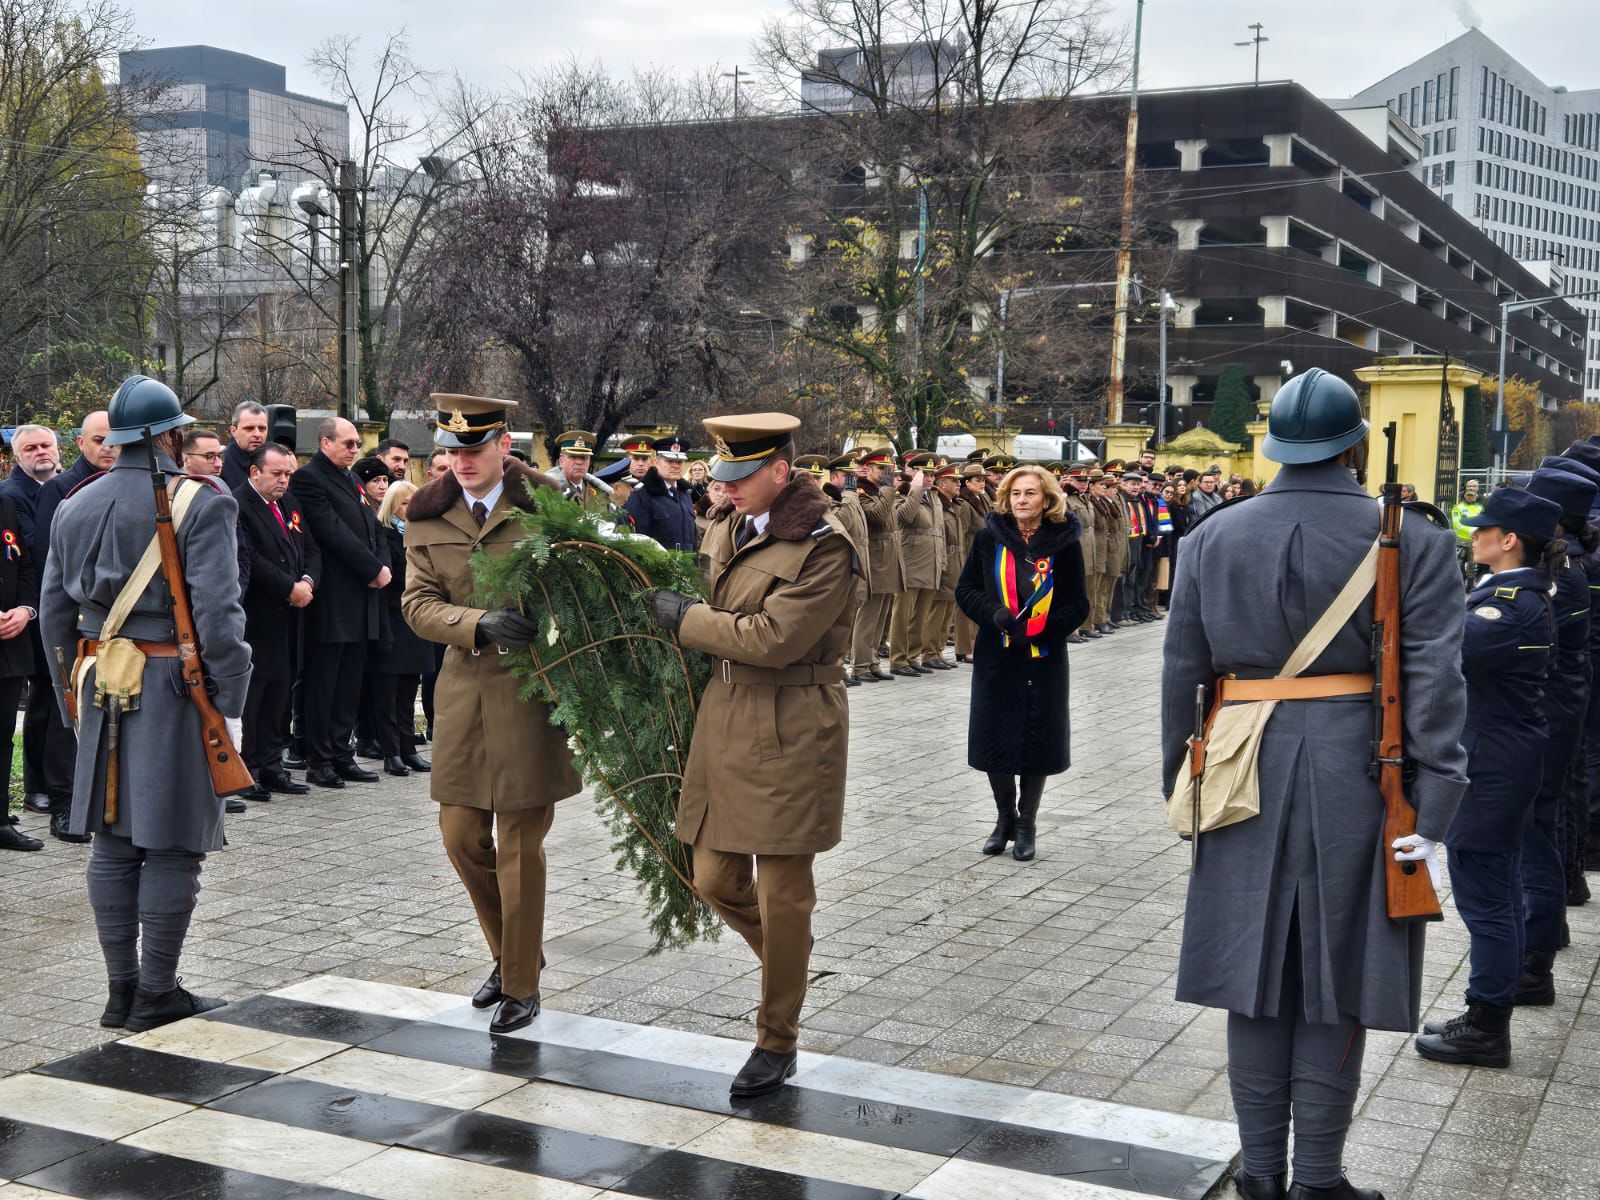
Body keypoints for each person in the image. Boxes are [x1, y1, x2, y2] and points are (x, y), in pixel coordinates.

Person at [1161, 367, 1467, 1200]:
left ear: (1274, 445)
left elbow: (1183, 672)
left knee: (1253, 981)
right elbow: (1434, 682)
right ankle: (1319, 1180)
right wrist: (1437, 804)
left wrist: (1184, 781)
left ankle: (1262, 1174)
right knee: (1340, 979)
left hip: (1238, 767)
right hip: (1360, 772)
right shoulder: (1416, 540)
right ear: (1355, 444)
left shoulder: (1210, 536)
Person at [644, 412, 857, 1097]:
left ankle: (776, 1039)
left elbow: (774, 638)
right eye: (722, 475)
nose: (726, 487)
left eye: (740, 476)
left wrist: (687, 619)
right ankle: (789, 957)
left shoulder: (824, 544)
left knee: (783, 892)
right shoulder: (728, 525)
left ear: (780, 471)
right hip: (726, 713)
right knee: (712, 877)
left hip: (792, 720)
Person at [40, 375, 252, 1032]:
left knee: (112, 841)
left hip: (98, 684)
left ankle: (120, 992)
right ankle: (156, 993)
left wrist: (72, 703)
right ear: (170, 436)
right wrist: (230, 702)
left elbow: (55, 616)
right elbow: (219, 617)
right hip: (174, 689)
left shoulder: (74, 502)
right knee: (172, 844)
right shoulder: (202, 501)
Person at [403, 394, 583, 1035]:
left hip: (532, 695)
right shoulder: (427, 516)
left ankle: (521, 985)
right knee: (461, 838)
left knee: (520, 846)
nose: (461, 461)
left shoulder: (548, 508)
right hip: (463, 693)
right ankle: (511, 953)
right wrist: (477, 622)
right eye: (451, 451)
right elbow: (417, 604)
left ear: (504, 447)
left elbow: (584, 594)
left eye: (474, 449)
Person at [1413, 487, 1562, 1068]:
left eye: (1483, 530)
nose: (1473, 537)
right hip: (1504, 756)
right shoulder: (1513, 594)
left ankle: (1486, 1024)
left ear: (1510, 540)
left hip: (1493, 764)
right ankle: (1487, 1009)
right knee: (1497, 891)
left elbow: (1441, 648)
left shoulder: (1508, 605)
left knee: (1487, 900)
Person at [957, 465, 1089, 861]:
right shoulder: (989, 538)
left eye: (1030, 493)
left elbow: (1078, 602)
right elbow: (966, 589)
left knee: (1038, 737)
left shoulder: (1063, 543)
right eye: (1015, 493)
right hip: (997, 653)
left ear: (1046, 499)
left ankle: (1028, 822)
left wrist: (1046, 628)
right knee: (994, 735)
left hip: (1043, 655)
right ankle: (1004, 819)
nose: (1021, 500)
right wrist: (993, 613)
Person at [1514, 467, 1596, 1008]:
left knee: (1536, 831)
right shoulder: (1564, 569)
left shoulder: (1561, 577)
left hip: (1548, 714)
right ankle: (1544, 929)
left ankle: (1533, 959)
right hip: (1560, 708)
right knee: (1546, 821)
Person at [30, 412, 117, 840]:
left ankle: (99, 797)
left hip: (115, 623)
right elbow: (53, 560)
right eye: (99, 440)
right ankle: (63, 804)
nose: (108, 448)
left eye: (114, 440)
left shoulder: (122, 484)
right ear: (81, 442)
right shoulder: (62, 489)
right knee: (66, 712)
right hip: (75, 617)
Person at [292, 418, 387, 789]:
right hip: (332, 599)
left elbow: (372, 526)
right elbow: (331, 532)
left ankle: (341, 752)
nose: (355, 449)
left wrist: (382, 565)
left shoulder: (351, 479)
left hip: (361, 596)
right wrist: (372, 568)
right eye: (348, 443)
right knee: (324, 683)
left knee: (349, 682)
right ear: (325, 442)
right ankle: (319, 759)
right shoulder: (309, 479)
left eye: (357, 443)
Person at [234, 443, 318, 801]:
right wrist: (289, 588)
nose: (284, 480)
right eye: (277, 473)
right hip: (258, 614)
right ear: (255, 472)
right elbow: (249, 558)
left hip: (290, 616)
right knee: (255, 695)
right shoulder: (238, 504)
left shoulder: (288, 502)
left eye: (288, 474)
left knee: (279, 693)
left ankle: (272, 765)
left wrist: (308, 581)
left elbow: (309, 547)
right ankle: (249, 769)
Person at [6, 425, 62, 821]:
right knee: (43, 700)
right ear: (17, 456)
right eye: (31, 448)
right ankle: (37, 786)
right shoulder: (11, 496)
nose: (41, 452)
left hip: (56, 606)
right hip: (34, 612)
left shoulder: (63, 488)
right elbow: (32, 552)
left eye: (46, 445)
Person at [369, 481, 431, 777]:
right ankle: (391, 752)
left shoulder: (423, 535)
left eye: (414, 502)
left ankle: (409, 749)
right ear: (392, 506)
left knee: (408, 690)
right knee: (388, 692)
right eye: (405, 503)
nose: (410, 508)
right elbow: (390, 575)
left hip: (415, 619)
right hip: (392, 617)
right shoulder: (385, 533)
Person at [0, 486, 41, 851]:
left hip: (8, 643)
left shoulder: (5, 504)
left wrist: (26, 610)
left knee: (2, 734)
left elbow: (23, 564)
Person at [848, 448, 902, 682]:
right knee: (868, 615)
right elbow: (878, 516)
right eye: (881, 469)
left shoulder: (880, 492)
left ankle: (872, 661)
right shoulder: (862, 491)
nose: (885, 473)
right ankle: (860, 665)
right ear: (868, 469)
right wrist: (888, 489)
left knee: (880, 615)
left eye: (888, 469)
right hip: (874, 560)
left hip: (886, 560)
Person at [890, 451, 945, 675]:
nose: (930, 479)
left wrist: (941, 562)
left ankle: (913, 656)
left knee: (920, 616)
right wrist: (915, 489)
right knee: (903, 615)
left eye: (932, 474)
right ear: (913, 473)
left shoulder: (934, 497)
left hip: (931, 563)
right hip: (911, 562)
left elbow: (940, 532)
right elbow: (905, 517)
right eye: (925, 474)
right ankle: (898, 659)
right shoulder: (903, 494)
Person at [626, 436, 698, 551]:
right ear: (656, 462)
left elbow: (692, 537)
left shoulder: (685, 493)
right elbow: (639, 540)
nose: (675, 466)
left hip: (687, 561)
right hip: (659, 561)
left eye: (679, 462)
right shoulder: (642, 494)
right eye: (669, 461)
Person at [953, 461, 989, 659]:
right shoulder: (966, 504)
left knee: (978, 601)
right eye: (977, 480)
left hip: (982, 558)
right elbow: (962, 534)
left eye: (983, 479)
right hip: (968, 557)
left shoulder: (981, 500)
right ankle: (964, 648)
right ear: (967, 482)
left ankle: (975, 644)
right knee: (965, 604)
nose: (982, 483)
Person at [220, 402, 268, 490]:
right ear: (233, 431)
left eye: (262, 429)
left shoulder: (273, 462)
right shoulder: (220, 464)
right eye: (249, 428)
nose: (257, 434)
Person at [553, 430, 604, 508]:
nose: (579, 462)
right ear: (561, 461)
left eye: (584, 458)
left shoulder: (599, 490)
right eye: (573, 457)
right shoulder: (551, 491)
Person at [1451, 480, 1484, 584]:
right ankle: (1458, 583)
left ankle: (1470, 585)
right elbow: (1456, 524)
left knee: (1472, 565)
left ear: (1476, 496)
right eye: (1468, 495)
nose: (1470, 497)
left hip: (1474, 541)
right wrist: (1473, 530)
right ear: (1464, 495)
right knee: (1458, 564)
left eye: (1472, 495)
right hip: (1460, 542)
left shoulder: (1480, 508)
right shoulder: (1458, 508)